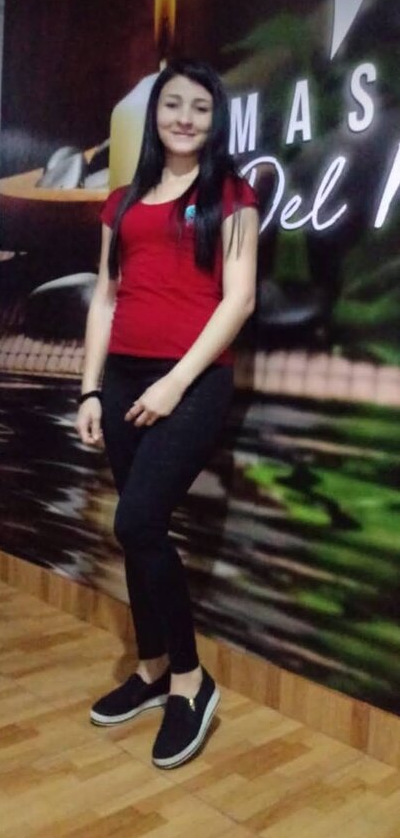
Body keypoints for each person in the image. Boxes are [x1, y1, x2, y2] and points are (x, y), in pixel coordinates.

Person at [76, 57, 259, 769]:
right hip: (123, 379)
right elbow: (105, 298)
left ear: (215, 120)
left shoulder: (232, 193)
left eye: (200, 107)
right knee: (138, 533)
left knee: (137, 522)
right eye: (173, 104)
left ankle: (190, 679)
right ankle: (151, 668)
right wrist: (90, 389)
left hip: (193, 381)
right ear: (155, 113)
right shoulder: (121, 202)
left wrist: (176, 383)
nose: (185, 117)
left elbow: (239, 299)